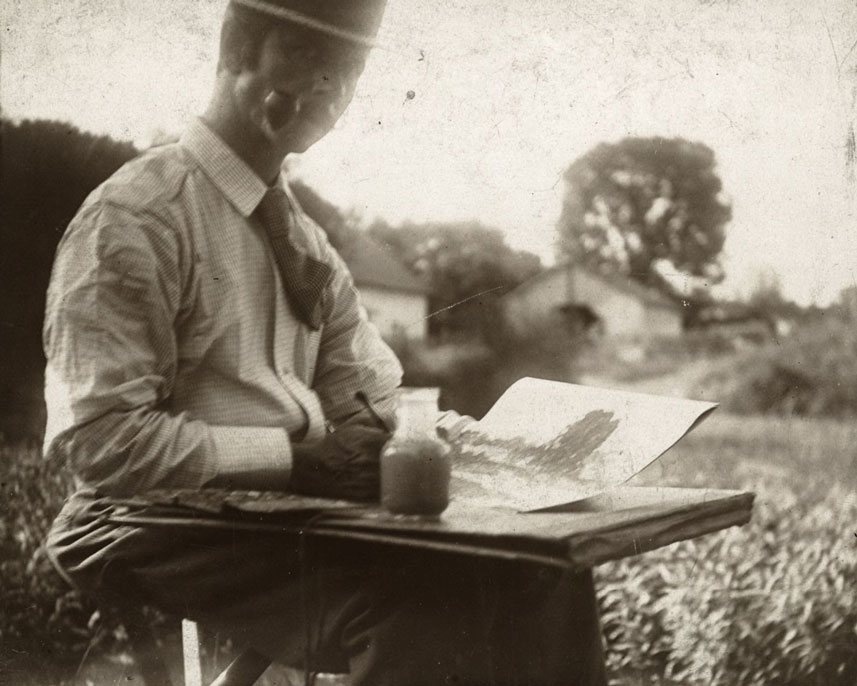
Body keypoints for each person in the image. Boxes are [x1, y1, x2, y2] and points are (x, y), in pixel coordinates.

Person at [42, 1, 607, 684]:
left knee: (544, 572)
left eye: (348, 70)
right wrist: (294, 459)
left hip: (285, 514)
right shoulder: (135, 218)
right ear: (236, 46)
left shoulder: (305, 241)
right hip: (146, 517)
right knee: (416, 606)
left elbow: (373, 401)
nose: (327, 88)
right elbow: (100, 446)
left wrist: (494, 447)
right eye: (307, 56)